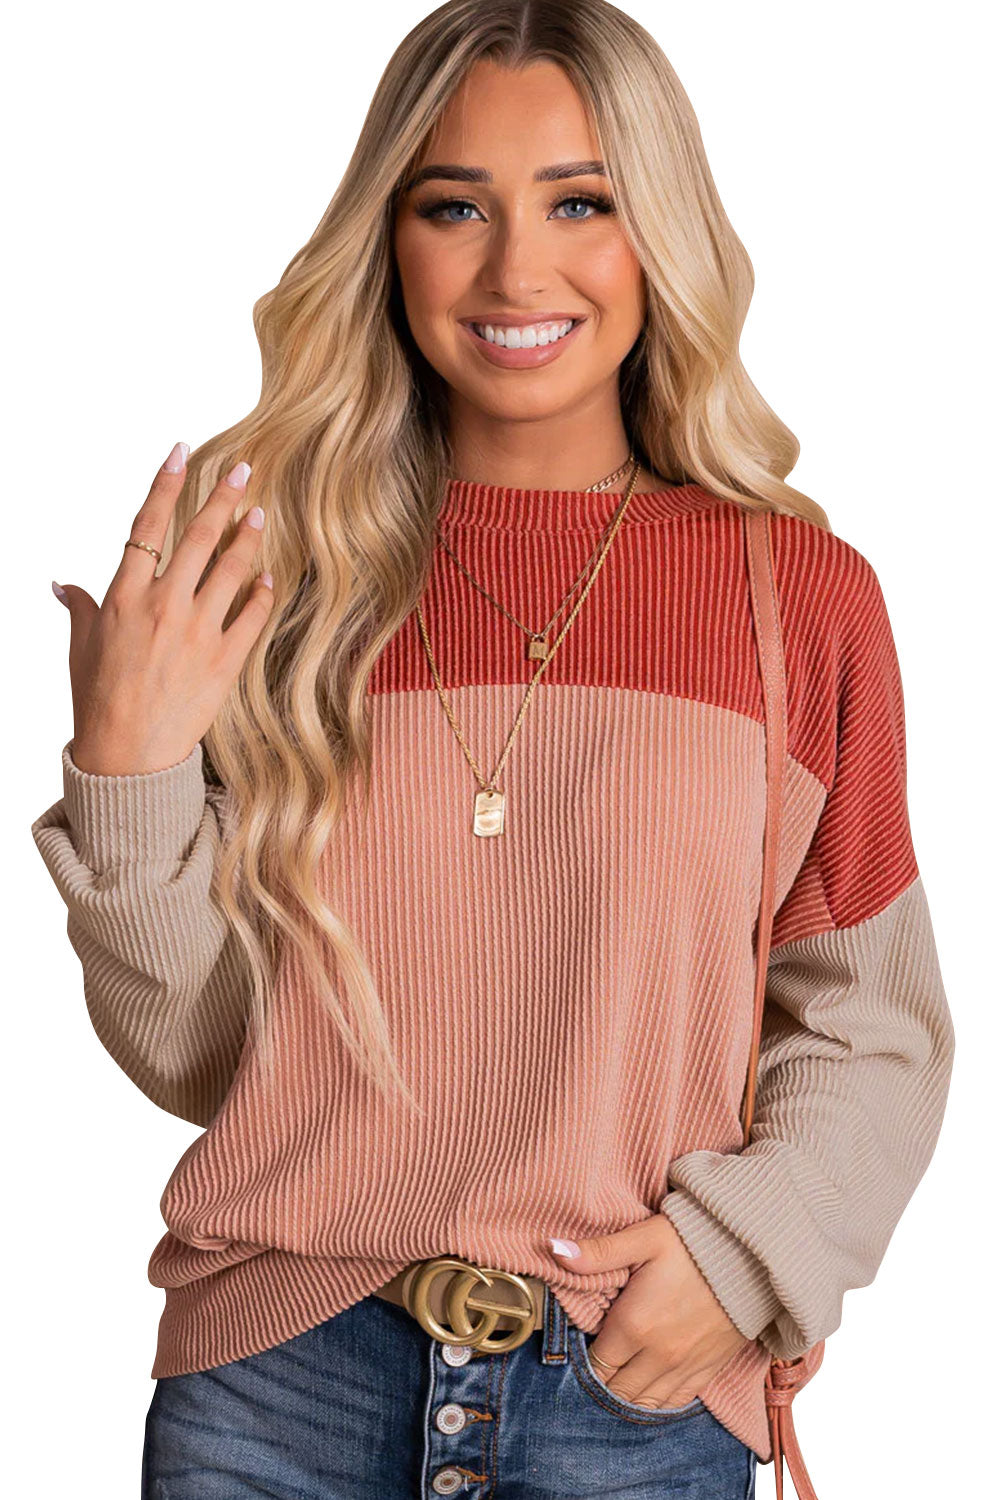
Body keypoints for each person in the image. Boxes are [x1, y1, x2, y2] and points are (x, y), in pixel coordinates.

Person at [31, 2, 955, 1497]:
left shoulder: (793, 599)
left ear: (658, 231)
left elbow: (872, 1025)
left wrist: (744, 1258)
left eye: (580, 202)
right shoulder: (271, 581)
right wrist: (128, 776)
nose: (517, 271)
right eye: (454, 206)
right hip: (277, 1389)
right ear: (386, 241)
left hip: (629, 1395)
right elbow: (208, 1059)